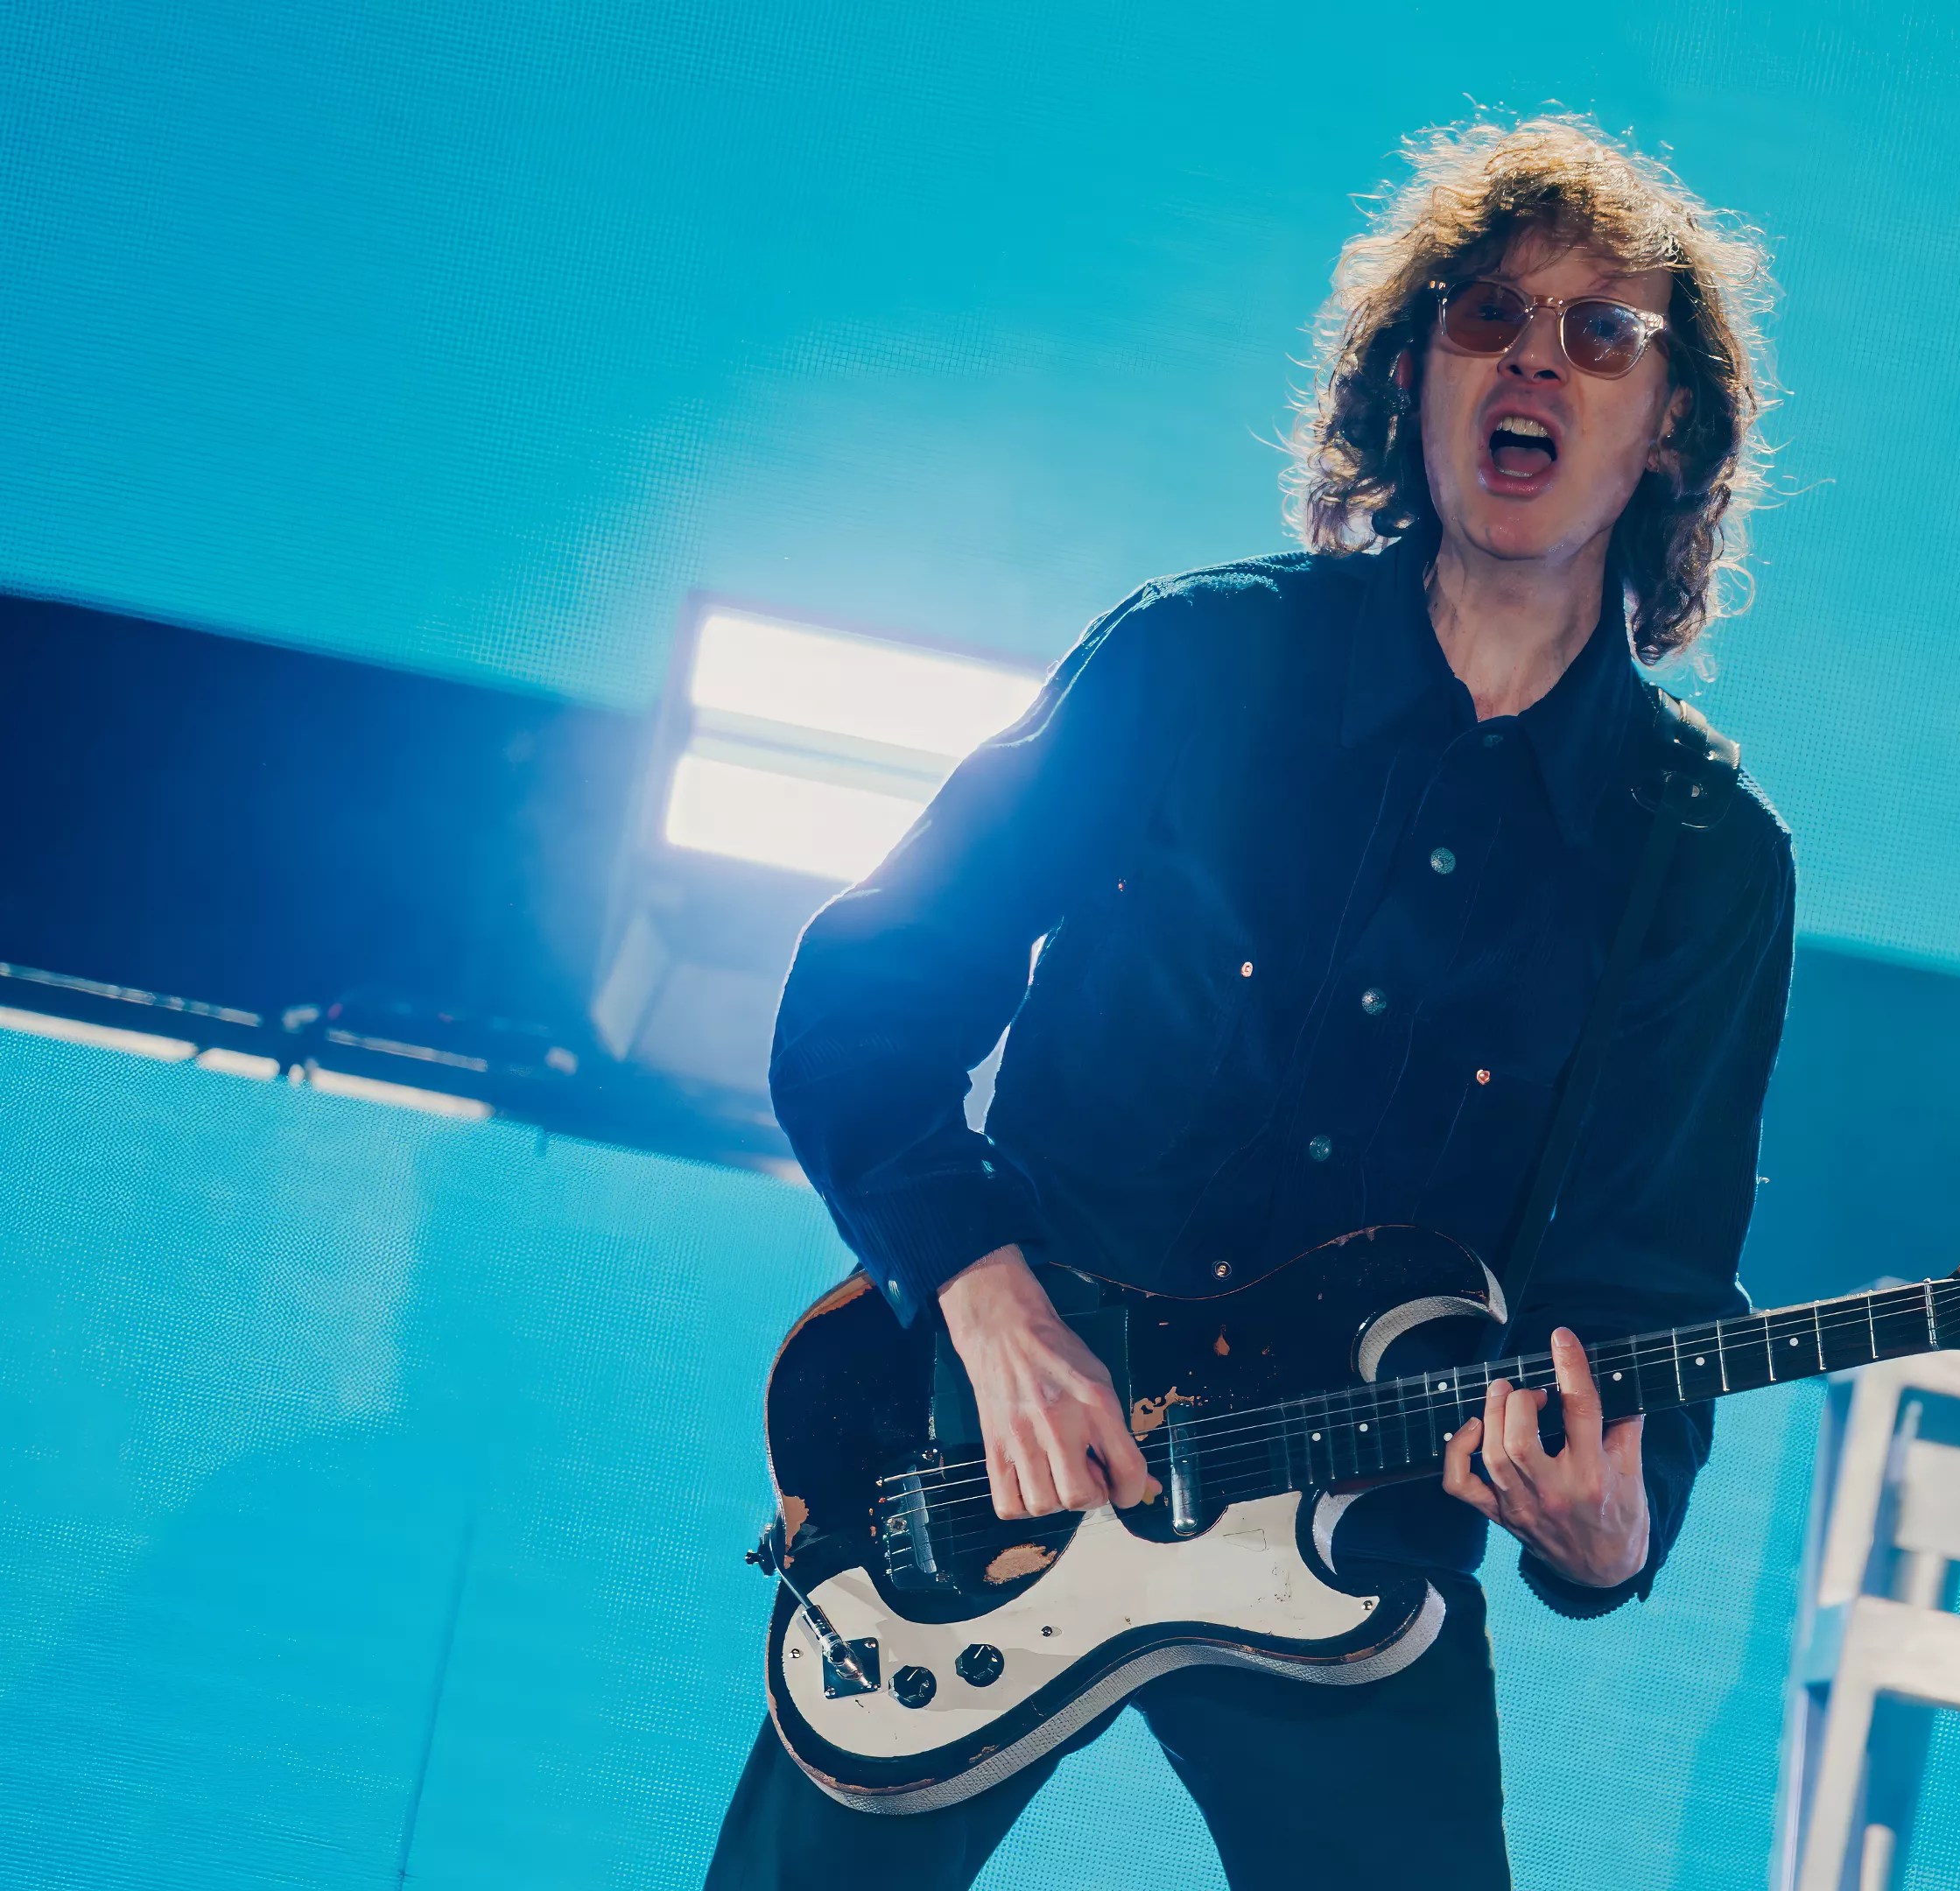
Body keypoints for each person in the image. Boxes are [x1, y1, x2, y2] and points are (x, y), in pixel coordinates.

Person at [707, 112, 1792, 1891]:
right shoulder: (1196, 662)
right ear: (1412, 374)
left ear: (1671, 427)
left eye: (1603, 334)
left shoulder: (1700, 859)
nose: (1534, 360)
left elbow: (1645, 1275)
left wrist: (1612, 1525)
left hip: (1357, 1535)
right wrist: (983, 1296)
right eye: (1489, 315)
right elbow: (868, 998)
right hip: (1001, 1464)